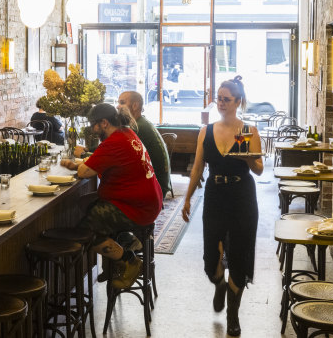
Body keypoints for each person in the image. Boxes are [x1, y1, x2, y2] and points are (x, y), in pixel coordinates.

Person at [181, 76, 263, 337]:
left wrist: (249, 156)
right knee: (211, 258)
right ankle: (219, 284)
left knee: (239, 253)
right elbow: (197, 168)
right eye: (219, 98)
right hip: (215, 195)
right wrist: (187, 197)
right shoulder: (206, 131)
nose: (221, 103)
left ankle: (233, 316)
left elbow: (259, 170)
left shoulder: (248, 130)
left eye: (226, 99)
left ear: (238, 102)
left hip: (242, 196)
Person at [60, 103, 163, 289]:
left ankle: (128, 261)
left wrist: (79, 166)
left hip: (137, 209)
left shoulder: (113, 143)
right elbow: (97, 163)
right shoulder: (127, 133)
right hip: (147, 202)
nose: (93, 129)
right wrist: (79, 164)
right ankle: (120, 250)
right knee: (87, 204)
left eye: (94, 125)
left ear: (104, 123)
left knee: (85, 232)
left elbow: (85, 172)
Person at [117, 91, 172, 199]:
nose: (118, 106)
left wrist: (85, 152)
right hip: (160, 182)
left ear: (135, 105)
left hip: (156, 187)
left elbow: (116, 152)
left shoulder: (137, 128)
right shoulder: (142, 122)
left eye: (122, 102)